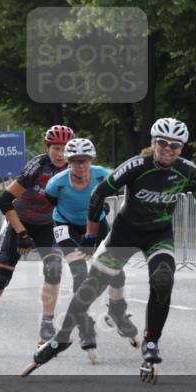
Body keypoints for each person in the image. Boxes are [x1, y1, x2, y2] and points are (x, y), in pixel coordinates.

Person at [22, 118, 196, 384]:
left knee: (163, 279)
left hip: (158, 235)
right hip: (125, 234)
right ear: (153, 142)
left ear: (181, 148)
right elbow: (98, 195)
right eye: (163, 143)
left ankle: (151, 342)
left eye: (175, 145)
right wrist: (90, 235)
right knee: (91, 288)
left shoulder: (188, 171)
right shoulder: (136, 166)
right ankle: (61, 339)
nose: (168, 149)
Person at [0, 125, 74, 350]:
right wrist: (22, 234)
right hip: (20, 220)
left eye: (65, 149)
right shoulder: (37, 167)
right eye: (56, 149)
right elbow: (3, 201)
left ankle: (47, 324)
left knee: (54, 269)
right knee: (2, 277)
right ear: (47, 148)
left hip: (48, 224)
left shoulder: (74, 170)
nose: (60, 154)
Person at [43, 138, 131, 363]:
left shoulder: (102, 174)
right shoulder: (56, 183)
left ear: (91, 160)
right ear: (68, 162)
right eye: (75, 161)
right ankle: (84, 326)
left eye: (85, 161)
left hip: (96, 223)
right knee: (80, 274)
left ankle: (116, 309)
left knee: (115, 272)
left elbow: (129, 182)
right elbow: (52, 202)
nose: (80, 165)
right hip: (66, 226)